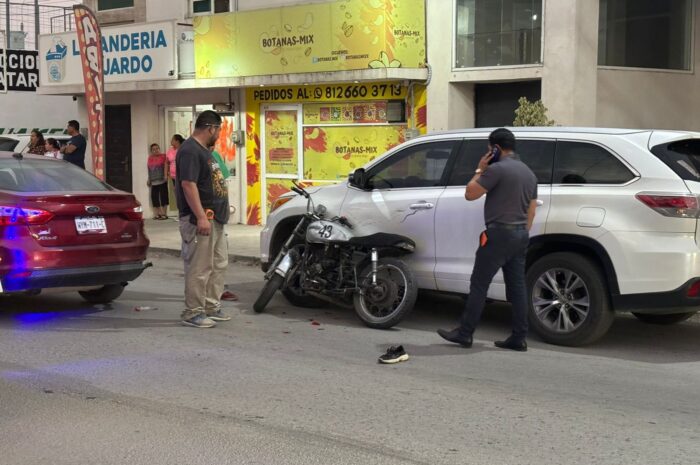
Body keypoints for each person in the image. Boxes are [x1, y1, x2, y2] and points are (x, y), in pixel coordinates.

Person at [437, 128, 538, 352]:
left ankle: (465, 333)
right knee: (518, 287)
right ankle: (519, 337)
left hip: (499, 234)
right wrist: (520, 232)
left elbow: (470, 193)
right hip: (521, 234)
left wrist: (480, 169)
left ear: (496, 148)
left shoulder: (497, 170)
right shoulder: (529, 173)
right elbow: (531, 211)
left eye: (488, 149)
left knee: (479, 284)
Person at [176, 110, 231, 328]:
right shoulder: (190, 150)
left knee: (218, 264)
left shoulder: (204, 150)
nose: (219, 134)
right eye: (219, 130)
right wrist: (201, 216)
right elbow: (188, 185)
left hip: (216, 218)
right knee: (200, 268)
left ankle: (211, 306)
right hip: (199, 220)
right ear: (211, 128)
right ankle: (193, 312)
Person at [147, 143, 169, 220]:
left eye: (157, 148)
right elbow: (149, 169)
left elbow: (166, 167)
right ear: (151, 151)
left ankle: (164, 214)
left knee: (164, 196)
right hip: (153, 180)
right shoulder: (150, 158)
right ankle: (157, 214)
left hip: (162, 179)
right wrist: (149, 179)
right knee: (154, 197)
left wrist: (165, 175)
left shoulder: (164, 156)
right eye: (153, 149)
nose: (156, 150)